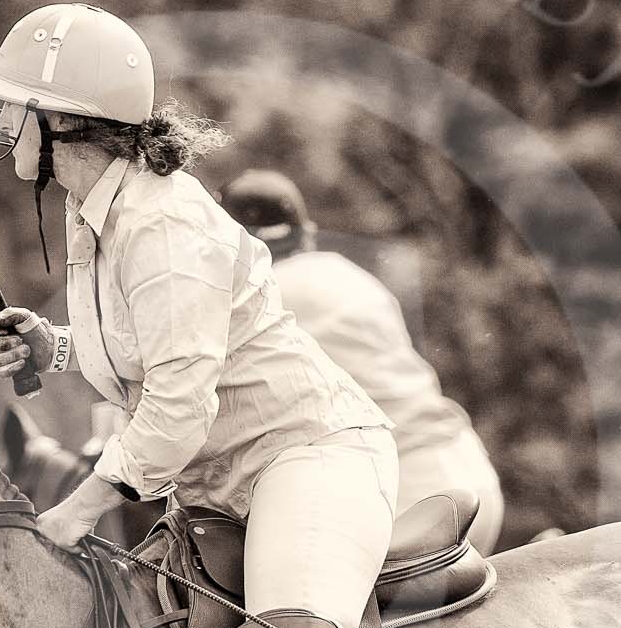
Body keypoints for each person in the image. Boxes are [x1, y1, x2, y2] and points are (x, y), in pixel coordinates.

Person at [0, 3, 532, 628]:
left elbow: (179, 405)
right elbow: (155, 353)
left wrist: (86, 501)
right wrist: (54, 347)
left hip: (309, 457)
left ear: (64, 122)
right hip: (223, 489)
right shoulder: (92, 214)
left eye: (15, 105)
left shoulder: (162, 225)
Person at [217, 170, 507, 555]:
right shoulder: (349, 273)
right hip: (466, 467)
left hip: (407, 492)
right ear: (305, 230)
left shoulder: (260, 295)